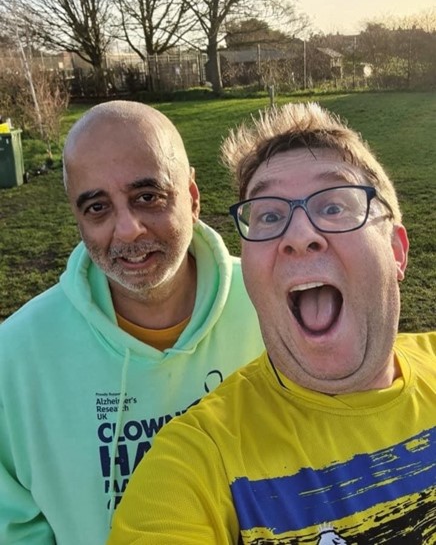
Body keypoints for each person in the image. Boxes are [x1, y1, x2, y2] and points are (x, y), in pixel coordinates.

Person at [108, 102, 436, 544]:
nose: (298, 236)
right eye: (269, 216)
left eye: (334, 206)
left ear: (396, 251)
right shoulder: (195, 461)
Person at [0, 100, 265, 545]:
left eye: (147, 197)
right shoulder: (14, 360)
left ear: (193, 197)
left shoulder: (272, 309)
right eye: (97, 208)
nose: (127, 230)